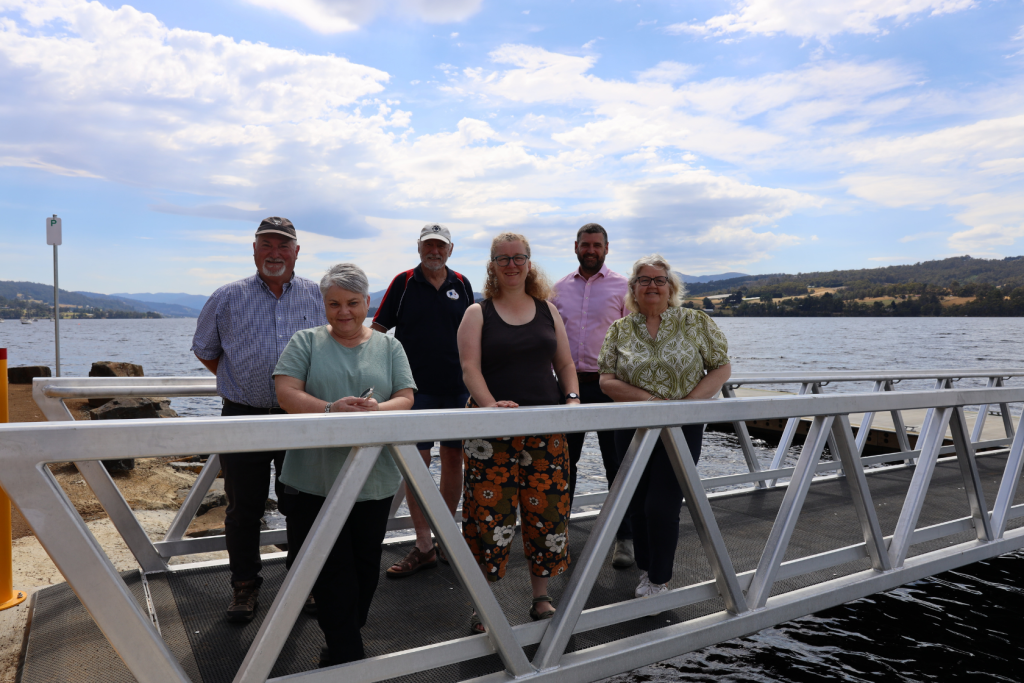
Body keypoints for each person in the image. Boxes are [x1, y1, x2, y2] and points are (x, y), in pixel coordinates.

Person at [273, 262, 416, 667]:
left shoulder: (390, 347)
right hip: (311, 482)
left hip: (373, 482)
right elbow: (286, 393)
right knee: (330, 573)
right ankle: (347, 654)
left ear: (367, 302)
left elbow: (406, 397)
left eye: (352, 303)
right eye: (334, 303)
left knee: (365, 570)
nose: (344, 312)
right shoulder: (306, 341)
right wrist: (330, 409)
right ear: (323, 304)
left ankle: (343, 639)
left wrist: (376, 409)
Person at [192, 216, 326, 623]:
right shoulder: (226, 297)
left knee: (302, 505)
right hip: (242, 416)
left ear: (297, 252)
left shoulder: (318, 296)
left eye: (283, 245)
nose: (275, 253)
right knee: (243, 507)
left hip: (299, 418)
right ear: (253, 249)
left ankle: (304, 585)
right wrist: (239, 381)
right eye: (266, 244)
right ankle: (244, 586)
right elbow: (205, 349)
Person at [456, 232, 580, 633]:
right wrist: (492, 407)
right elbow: (470, 369)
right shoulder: (478, 312)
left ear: (530, 262)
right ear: (491, 265)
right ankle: (483, 603)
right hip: (491, 433)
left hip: (545, 430)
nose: (511, 264)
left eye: (518, 257)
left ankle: (540, 596)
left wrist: (573, 399)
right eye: (502, 258)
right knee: (488, 517)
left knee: (548, 513)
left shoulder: (547, 309)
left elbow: (564, 364)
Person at [598, 254, 732, 599]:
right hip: (633, 426)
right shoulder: (620, 328)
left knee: (662, 503)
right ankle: (645, 571)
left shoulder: (694, 321)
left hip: (681, 427)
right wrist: (652, 403)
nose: (652, 286)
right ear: (633, 288)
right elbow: (606, 380)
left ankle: (659, 579)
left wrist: (686, 408)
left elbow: (720, 368)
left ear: (671, 288)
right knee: (638, 502)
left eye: (659, 280)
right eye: (644, 280)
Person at [371, 223, 475, 578]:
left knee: (453, 458)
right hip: (414, 389)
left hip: (458, 387)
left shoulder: (461, 283)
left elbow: (474, 333)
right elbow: (377, 332)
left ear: (450, 250)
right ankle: (424, 543)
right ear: (419, 248)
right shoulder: (403, 283)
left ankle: (446, 537)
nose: (435, 251)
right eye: (429, 246)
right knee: (417, 461)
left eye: (441, 246)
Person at [551, 222, 634, 569]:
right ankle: (557, 537)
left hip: (609, 385)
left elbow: (633, 339)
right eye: (585, 244)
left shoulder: (622, 288)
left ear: (606, 248)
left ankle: (624, 539)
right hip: (567, 386)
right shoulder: (557, 290)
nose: (591, 250)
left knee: (618, 464)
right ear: (575, 247)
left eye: (597, 245)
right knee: (562, 465)